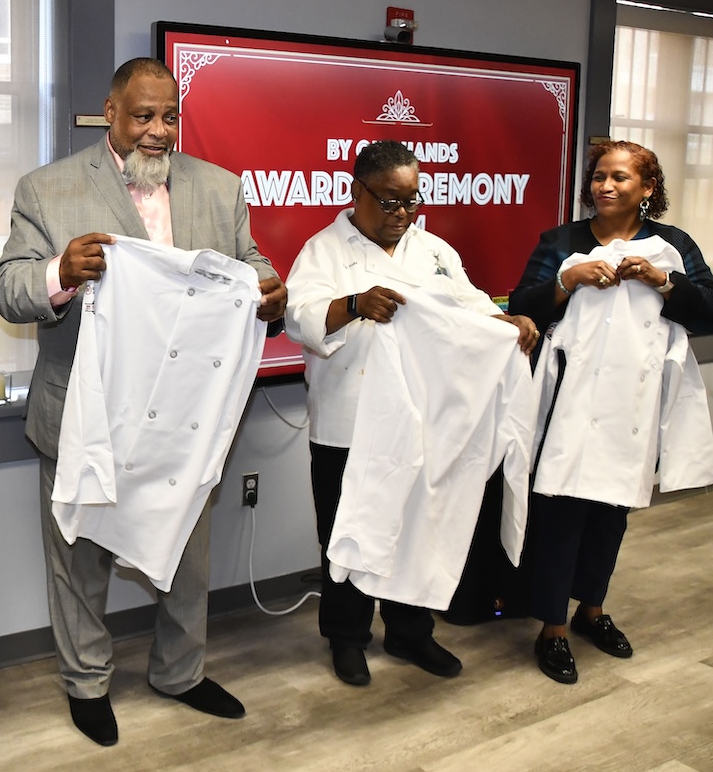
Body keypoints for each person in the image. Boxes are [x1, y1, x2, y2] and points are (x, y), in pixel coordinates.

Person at [0, 57, 286, 747]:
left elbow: (255, 266)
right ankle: (87, 680)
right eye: (143, 116)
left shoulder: (221, 188)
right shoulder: (49, 187)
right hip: (85, 414)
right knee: (80, 563)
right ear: (111, 113)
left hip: (185, 420)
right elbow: (8, 289)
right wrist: (60, 272)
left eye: (170, 116)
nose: (158, 131)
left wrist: (271, 291)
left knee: (187, 557)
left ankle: (180, 672)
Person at [284, 140, 539, 688]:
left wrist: (509, 321)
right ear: (358, 193)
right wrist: (354, 305)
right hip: (348, 424)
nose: (402, 214)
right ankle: (348, 638)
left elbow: (471, 308)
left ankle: (409, 630)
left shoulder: (434, 251)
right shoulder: (324, 250)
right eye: (390, 201)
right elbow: (300, 318)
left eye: (412, 201)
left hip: (421, 422)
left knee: (413, 529)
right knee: (347, 533)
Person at [508, 140, 713, 684]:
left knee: (611, 512)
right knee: (562, 511)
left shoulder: (672, 245)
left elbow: (710, 310)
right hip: (571, 403)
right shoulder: (562, 241)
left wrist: (662, 281)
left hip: (634, 405)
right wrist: (566, 282)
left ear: (647, 189)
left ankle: (591, 610)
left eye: (620, 178)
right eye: (599, 176)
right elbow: (520, 306)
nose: (605, 186)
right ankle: (552, 628)